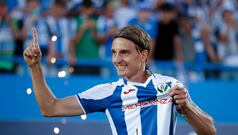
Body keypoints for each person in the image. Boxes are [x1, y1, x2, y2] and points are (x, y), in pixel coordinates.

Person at [23, 26, 216, 135]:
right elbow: (50, 108)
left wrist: (185, 108)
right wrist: (35, 67)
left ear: (143, 55)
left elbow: (209, 131)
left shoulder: (170, 85)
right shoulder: (108, 92)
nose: (117, 59)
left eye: (124, 52)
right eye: (114, 53)